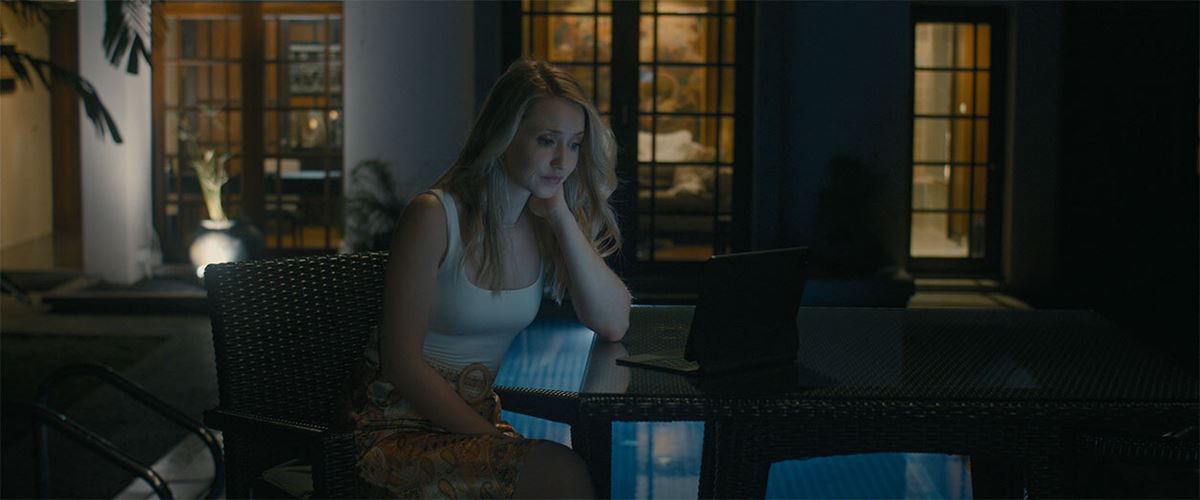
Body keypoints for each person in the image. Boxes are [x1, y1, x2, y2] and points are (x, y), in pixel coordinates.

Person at [347, 59, 631, 498]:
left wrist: (559, 212)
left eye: (574, 145)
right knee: (562, 473)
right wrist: (492, 440)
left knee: (566, 472)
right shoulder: (434, 216)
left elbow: (613, 323)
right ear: (503, 135)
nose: (563, 161)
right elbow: (401, 363)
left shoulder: (540, 221)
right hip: (395, 429)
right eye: (546, 141)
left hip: (474, 426)